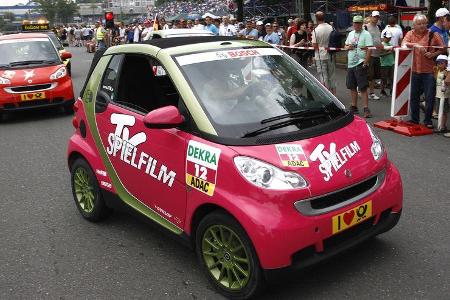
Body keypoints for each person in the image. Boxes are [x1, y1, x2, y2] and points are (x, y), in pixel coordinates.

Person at [402, 14, 445, 128]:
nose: (422, 25)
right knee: (414, 96)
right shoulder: (410, 33)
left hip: (429, 72)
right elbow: (403, 44)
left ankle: (428, 121)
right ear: (414, 25)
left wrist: (433, 54)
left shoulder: (433, 34)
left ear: (427, 24)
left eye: (424, 23)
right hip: (414, 70)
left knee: (430, 97)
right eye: (419, 23)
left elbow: (443, 48)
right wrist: (416, 45)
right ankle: (414, 119)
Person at [345, 15, 373, 118]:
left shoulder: (366, 34)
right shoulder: (351, 34)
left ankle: (366, 108)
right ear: (353, 23)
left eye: (358, 23)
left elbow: (370, 49)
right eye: (355, 23)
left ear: (362, 24)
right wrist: (348, 47)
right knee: (352, 86)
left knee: (363, 87)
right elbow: (345, 46)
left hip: (360, 63)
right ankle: (354, 106)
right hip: (351, 64)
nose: (356, 25)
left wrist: (366, 62)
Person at [312, 11, 336, 94]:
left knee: (323, 76)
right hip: (331, 54)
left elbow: (314, 45)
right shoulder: (331, 27)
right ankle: (334, 94)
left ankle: (327, 95)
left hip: (320, 55)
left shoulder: (316, 30)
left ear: (316, 18)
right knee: (332, 75)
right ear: (324, 17)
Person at [365, 11, 382, 100]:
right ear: (371, 16)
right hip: (369, 54)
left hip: (377, 54)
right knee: (369, 74)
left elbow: (378, 39)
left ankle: (371, 93)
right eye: (375, 17)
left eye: (377, 17)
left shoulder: (378, 27)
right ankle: (365, 90)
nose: (376, 18)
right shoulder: (366, 27)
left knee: (374, 75)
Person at [435, 55, 450, 134]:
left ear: (446, 64)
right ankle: (440, 125)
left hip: (444, 96)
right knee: (438, 110)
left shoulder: (447, 72)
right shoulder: (437, 71)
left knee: (444, 111)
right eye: (438, 63)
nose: (439, 65)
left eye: (442, 63)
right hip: (438, 94)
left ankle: (442, 126)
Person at [379, 31, 395, 97]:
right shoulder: (382, 44)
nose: (388, 39)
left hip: (391, 63)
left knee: (392, 78)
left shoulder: (390, 44)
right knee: (384, 79)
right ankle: (382, 91)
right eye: (387, 37)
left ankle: (392, 91)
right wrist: (388, 52)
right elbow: (380, 54)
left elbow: (393, 53)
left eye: (390, 38)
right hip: (384, 64)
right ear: (384, 37)